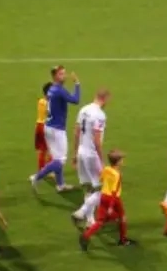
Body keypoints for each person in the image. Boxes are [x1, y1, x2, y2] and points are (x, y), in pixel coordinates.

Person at [31, 66, 80, 192]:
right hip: (57, 130)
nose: (64, 76)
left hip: (48, 127)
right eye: (61, 74)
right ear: (54, 76)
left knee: (57, 157)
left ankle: (60, 185)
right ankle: (37, 177)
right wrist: (77, 84)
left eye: (64, 73)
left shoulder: (51, 89)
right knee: (61, 160)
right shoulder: (59, 90)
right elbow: (76, 100)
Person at [72, 89, 111, 228]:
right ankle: (81, 212)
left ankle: (90, 220)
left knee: (88, 187)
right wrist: (101, 160)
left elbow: (76, 132)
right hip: (91, 154)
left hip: (81, 152)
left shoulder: (83, 109)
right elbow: (97, 140)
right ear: (105, 99)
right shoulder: (100, 115)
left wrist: (74, 154)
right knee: (103, 187)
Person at [81, 151, 135, 250]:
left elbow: (101, 179)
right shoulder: (117, 174)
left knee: (100, 221)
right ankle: (123, 240)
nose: (123, 161)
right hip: (113, 199)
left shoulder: (106, 169)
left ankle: (86, 236)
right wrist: (111, 206)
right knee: (122, 218)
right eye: (121, 159)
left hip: (103, 196)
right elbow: (114, 191)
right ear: (118, 162)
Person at [35, 83, 50, 170]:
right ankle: (49, 169)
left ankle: (41, 169)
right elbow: (49, 114)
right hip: (45, 126)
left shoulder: (40, 101)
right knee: (51, 148)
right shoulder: (48, 103)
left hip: (38, 125)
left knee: (42, 149)